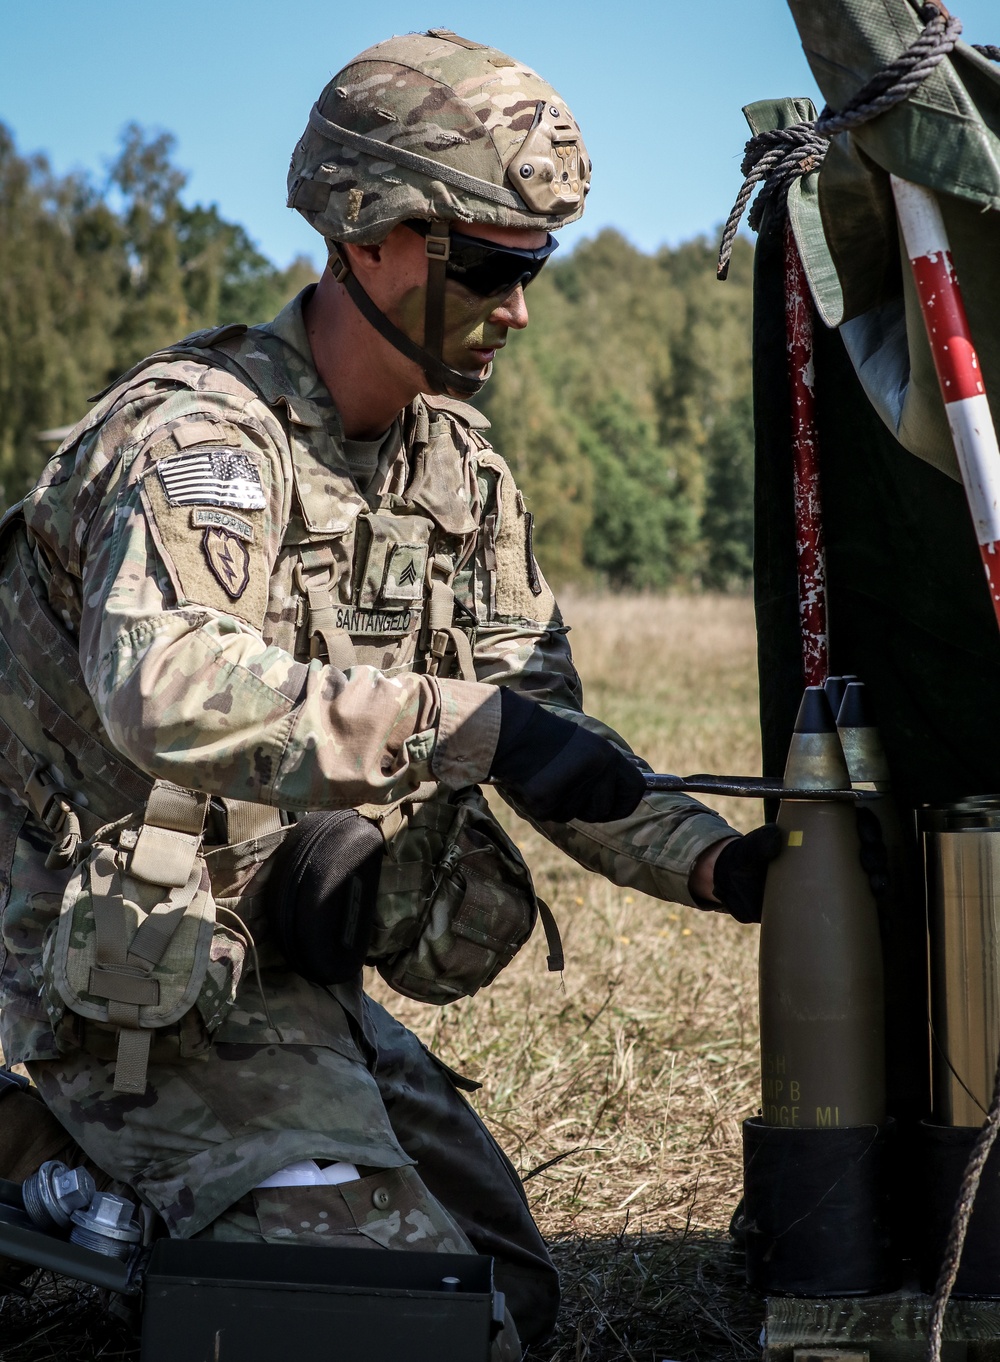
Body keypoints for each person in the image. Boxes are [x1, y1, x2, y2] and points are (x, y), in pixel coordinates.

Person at [0, 30, 778, 1356]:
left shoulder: (456, 477)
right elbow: (162, 685)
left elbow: (545, 729)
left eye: (536, 265)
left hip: (261, 965)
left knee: (501, 1288)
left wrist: (722, 869)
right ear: (365, 239)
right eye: (488, 262)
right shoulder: (196, 442)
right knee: (405, 1330)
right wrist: (461, 724)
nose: (518, 304)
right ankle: (29, 1141)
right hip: (95, 965)